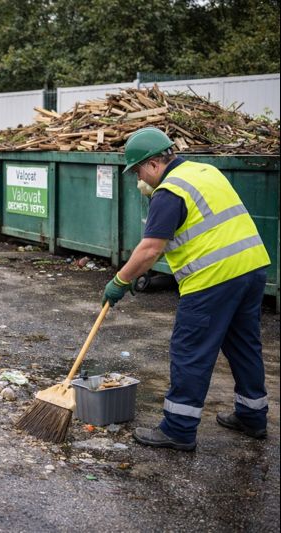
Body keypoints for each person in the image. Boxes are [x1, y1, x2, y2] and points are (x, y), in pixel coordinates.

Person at [102, 127, 270, 451]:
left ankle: (178, 429)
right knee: (244, 346)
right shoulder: (205, 171)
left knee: (190, 351)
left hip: (213, 279)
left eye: (137, 171)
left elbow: (150, 249)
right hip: (252, 268)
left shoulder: (169, 191)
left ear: (153, 164)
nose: (139, 179)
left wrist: (119, 281)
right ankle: (252, 416)